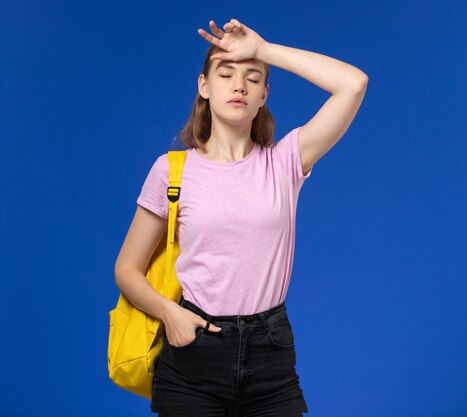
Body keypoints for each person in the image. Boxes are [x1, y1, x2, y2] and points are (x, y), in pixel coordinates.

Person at [114, 18, 368, 417]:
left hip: (271, 355)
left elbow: (352, 84)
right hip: (193, 354)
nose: (239, 85)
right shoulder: (170, 171)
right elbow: (127, 269)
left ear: (264, 94)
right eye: (226, 73)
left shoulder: (285, 162)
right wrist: (171, 315)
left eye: (252, 77)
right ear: (204, 86)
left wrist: (263, 50)